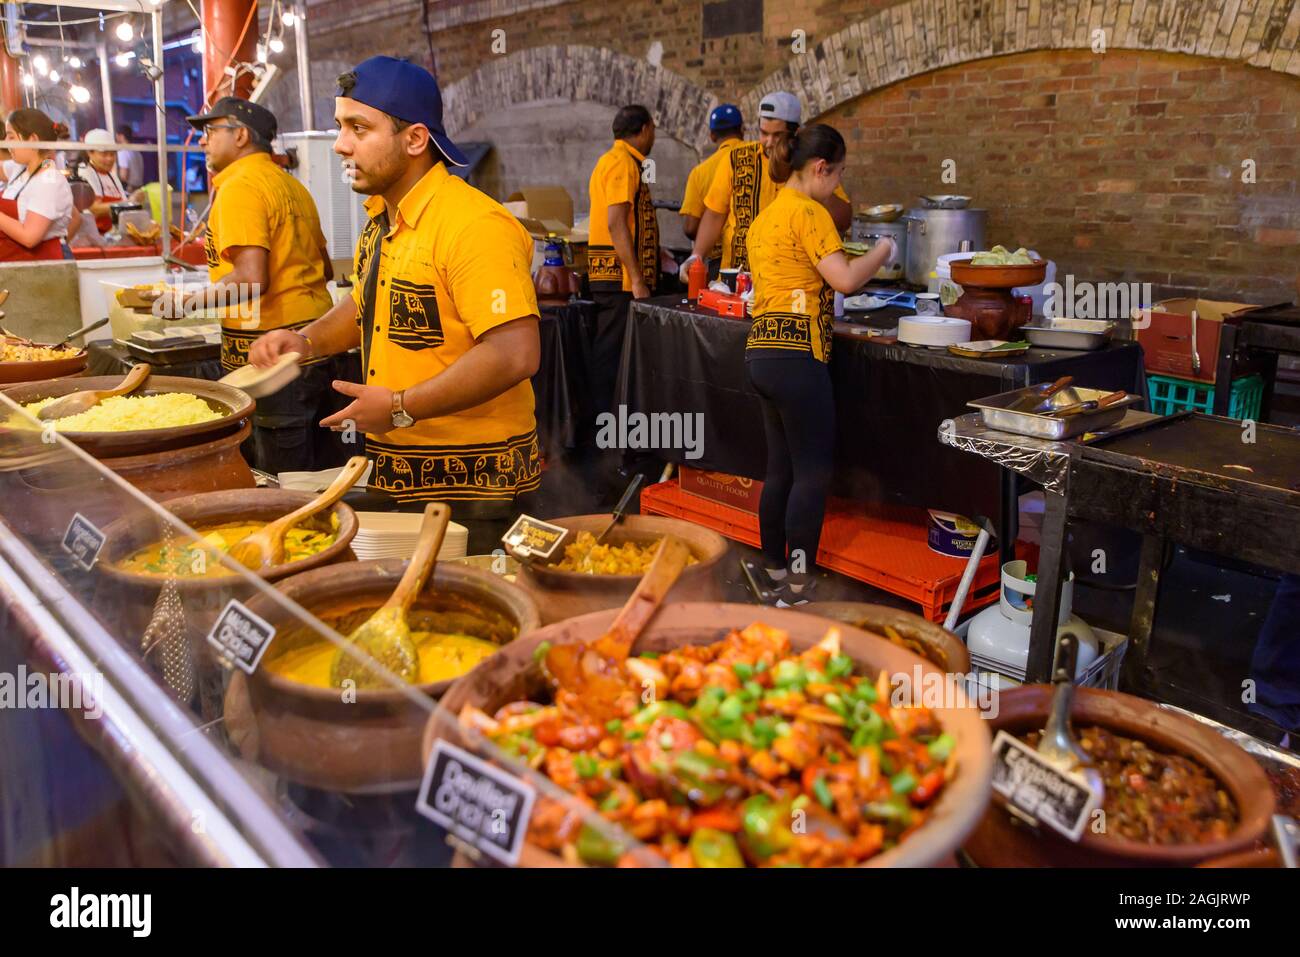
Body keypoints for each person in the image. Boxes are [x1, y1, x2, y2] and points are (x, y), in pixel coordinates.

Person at [248, 56, 542, 554]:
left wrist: (402, 408)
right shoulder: (382, 220)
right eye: (341, 126)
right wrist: (305, 340)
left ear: (415, 140)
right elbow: (366, 307)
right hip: (396, 467)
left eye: (359, 128)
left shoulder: (473, 226)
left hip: (475, 487)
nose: (341, 144)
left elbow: (514, 353)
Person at [744, 125, 894, 604]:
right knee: (811, 473)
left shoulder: (764, 218)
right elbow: (845, 280)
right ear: (820, 168)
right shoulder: (810, 213)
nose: (840, 183)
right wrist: (884, 250)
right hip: (797, 357)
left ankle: (771, 570)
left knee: (780, 469)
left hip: (761, 352)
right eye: (840, 173)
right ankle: (798, 585)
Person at [170, 97, 342, 474]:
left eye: (210, 131)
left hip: (268, 357)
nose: (202, 141)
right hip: (313, 347)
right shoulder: (291, 186)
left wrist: (183, 303)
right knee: (314, 473)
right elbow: (324, 270)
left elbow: (250, 279)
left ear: (242, 135)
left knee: (277, 476)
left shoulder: (240, 187)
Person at [685, 92, 853, 275]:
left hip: (790, 282)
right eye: (764, 133)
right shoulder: (736, 159)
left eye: (778, 135)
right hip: (738, 279)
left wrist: (818, 187)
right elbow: (715, 215)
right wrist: (697, 255)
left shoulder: (808, 164)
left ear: (796, 133)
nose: (769, 142)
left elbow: (843, 219)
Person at [586, 104, 659, 418]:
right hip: (619, 280)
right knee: (612, 356)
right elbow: (616, 222)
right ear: (644, 129)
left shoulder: (620, 161)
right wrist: (638, 278)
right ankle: (606, 429)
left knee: (614, 354)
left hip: (617, 276)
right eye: (653, 129)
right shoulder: (622, 163)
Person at [0, 109, 75, 261]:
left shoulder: (49, 181)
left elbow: (29, 237)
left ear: (33, 139)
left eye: (11, 137)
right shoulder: (20, 169)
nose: (7, 144)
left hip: (43, 264)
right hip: (17, 261)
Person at [679, 104, 744, 267]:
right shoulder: (759, 159)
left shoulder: (700, 172)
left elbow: (690, 228)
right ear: (742, 130)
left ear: (712, 135)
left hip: (719, 261)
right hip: (756, 256)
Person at [81, 128, 129, 233]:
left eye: (112, 154)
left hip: (116, 235)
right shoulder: (85, 174)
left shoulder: (113, 176)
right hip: (96, 237)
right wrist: (128, 203)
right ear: (90, 153)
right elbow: (93, 210)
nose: (109, 159)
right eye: (104, 154)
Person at [116, 126, 144, 192]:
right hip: (139, 188)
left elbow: (124, 176)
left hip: (129, 189)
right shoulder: (137, 152)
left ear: (121, 136)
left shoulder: (123, 153)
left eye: (117, 135)